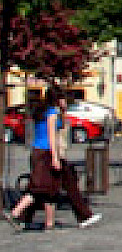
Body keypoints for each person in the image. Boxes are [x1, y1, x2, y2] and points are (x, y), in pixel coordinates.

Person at [3, 85, 101, 231]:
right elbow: (51, 136)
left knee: (49, 188)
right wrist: (55, 157)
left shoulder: (43, 111)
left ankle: (47, 222)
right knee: (39, 188)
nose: (65, 100)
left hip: (38, 151)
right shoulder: (52, 113)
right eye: (62, 98)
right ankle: (16, 213)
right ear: (58, 99)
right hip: (46, 152)